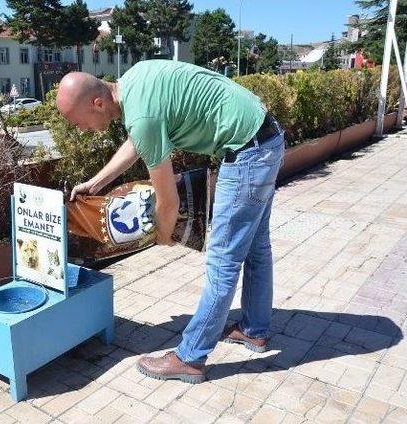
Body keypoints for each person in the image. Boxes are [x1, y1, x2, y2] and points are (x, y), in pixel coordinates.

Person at [56, 59, 285, 383]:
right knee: (256, 247)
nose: (83, 130)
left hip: (247, 153)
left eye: (81, 123)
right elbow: (138, 141)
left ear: (98, 103)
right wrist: (97, 182)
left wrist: (162, 235)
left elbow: (168, 201)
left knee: (223, 260)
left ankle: (190, 357)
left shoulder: (142, 116)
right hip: (264, 139)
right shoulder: (134, 82)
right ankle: (253, 330)